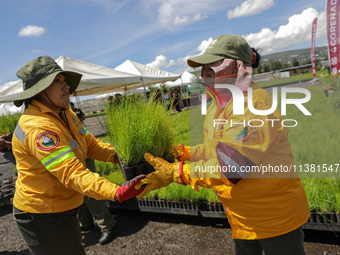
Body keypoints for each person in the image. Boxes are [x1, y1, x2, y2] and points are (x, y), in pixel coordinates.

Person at [136, 35, 310, 255]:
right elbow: (216, 149)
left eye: (213, 66)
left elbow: (232, 165)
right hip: (242, 217)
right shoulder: (219, 104)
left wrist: (177, 172)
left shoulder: (253, 104)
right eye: (203, 67)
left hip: (274, 217)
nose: (204, 73)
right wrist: (183, 152)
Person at [11, 56, 145, 255]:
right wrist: (115, 191)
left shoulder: (64, 112)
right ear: (39, 90)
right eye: (57, 81)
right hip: (41, 214)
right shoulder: (38, 128)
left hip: (62, 206)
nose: (66, 86)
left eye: (64, 81)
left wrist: (121, 155)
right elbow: (71, 172)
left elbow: (89, 144)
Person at [70, 102, 116, 244]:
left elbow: (86, 137)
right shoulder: (44, 117)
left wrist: (113, 154)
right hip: (67, 158)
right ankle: (85, 223)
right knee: (76, 191)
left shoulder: (69, 114)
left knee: (90, 191)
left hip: (81, 154)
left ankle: (107, 225)